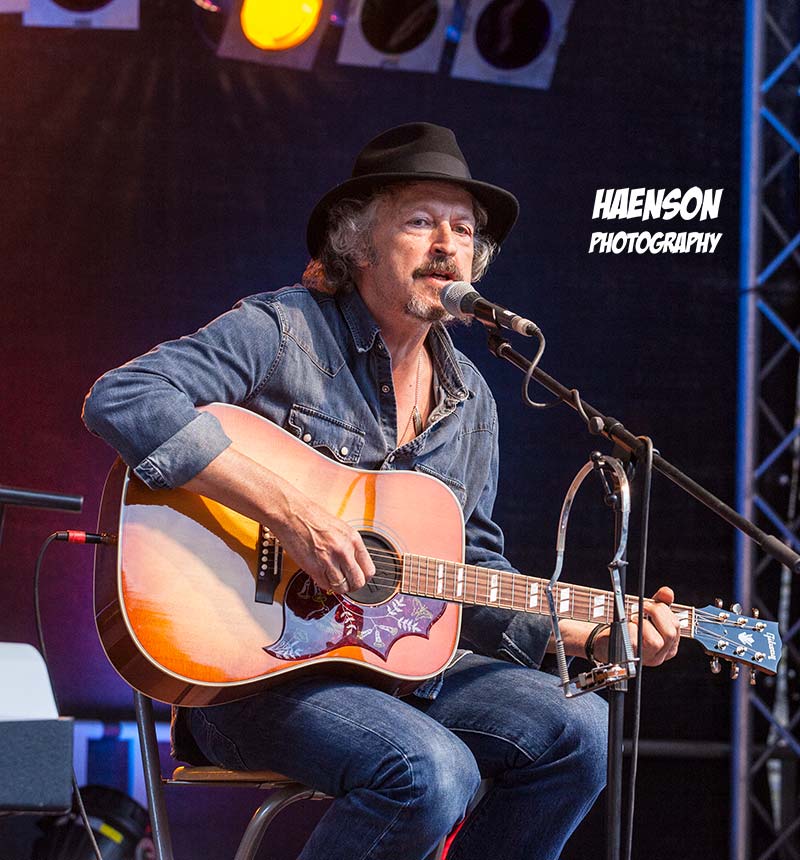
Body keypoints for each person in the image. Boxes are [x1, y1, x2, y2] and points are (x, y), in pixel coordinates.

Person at [83, 123, 681, 860]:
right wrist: (293, 515)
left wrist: (593, 633)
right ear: (358, 242)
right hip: (248, 677)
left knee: (581, 731)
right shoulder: (282, 332)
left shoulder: (472, 401)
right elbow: (125, 397)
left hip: (398, 673)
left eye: (464, 229)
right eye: (421, 221)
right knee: (431, 770)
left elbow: (469, 574)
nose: (448, 245)